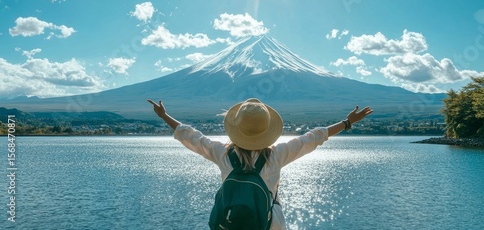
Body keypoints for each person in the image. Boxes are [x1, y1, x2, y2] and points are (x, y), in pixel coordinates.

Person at [147, 98, 373, 230]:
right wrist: (347, 122)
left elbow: (191, 136)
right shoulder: (277, 156)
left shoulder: (222, 154)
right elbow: (313, 137)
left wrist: (163, 115)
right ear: (267, 130)